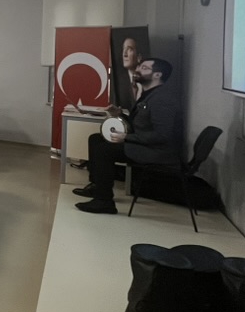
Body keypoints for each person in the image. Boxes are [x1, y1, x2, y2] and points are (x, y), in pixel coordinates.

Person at [74, 58, 183, 215]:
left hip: (157, 151)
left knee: (105, 150)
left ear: (157, 75)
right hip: (145, 144)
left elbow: (162, 135)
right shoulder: (148, 94)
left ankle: (104, 201)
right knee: (96, 139)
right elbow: (138, 125)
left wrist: (127, 137)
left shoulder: (162, 99)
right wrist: (119, 115)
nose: (137, 70)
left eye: (144, 68)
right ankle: (97, 186)